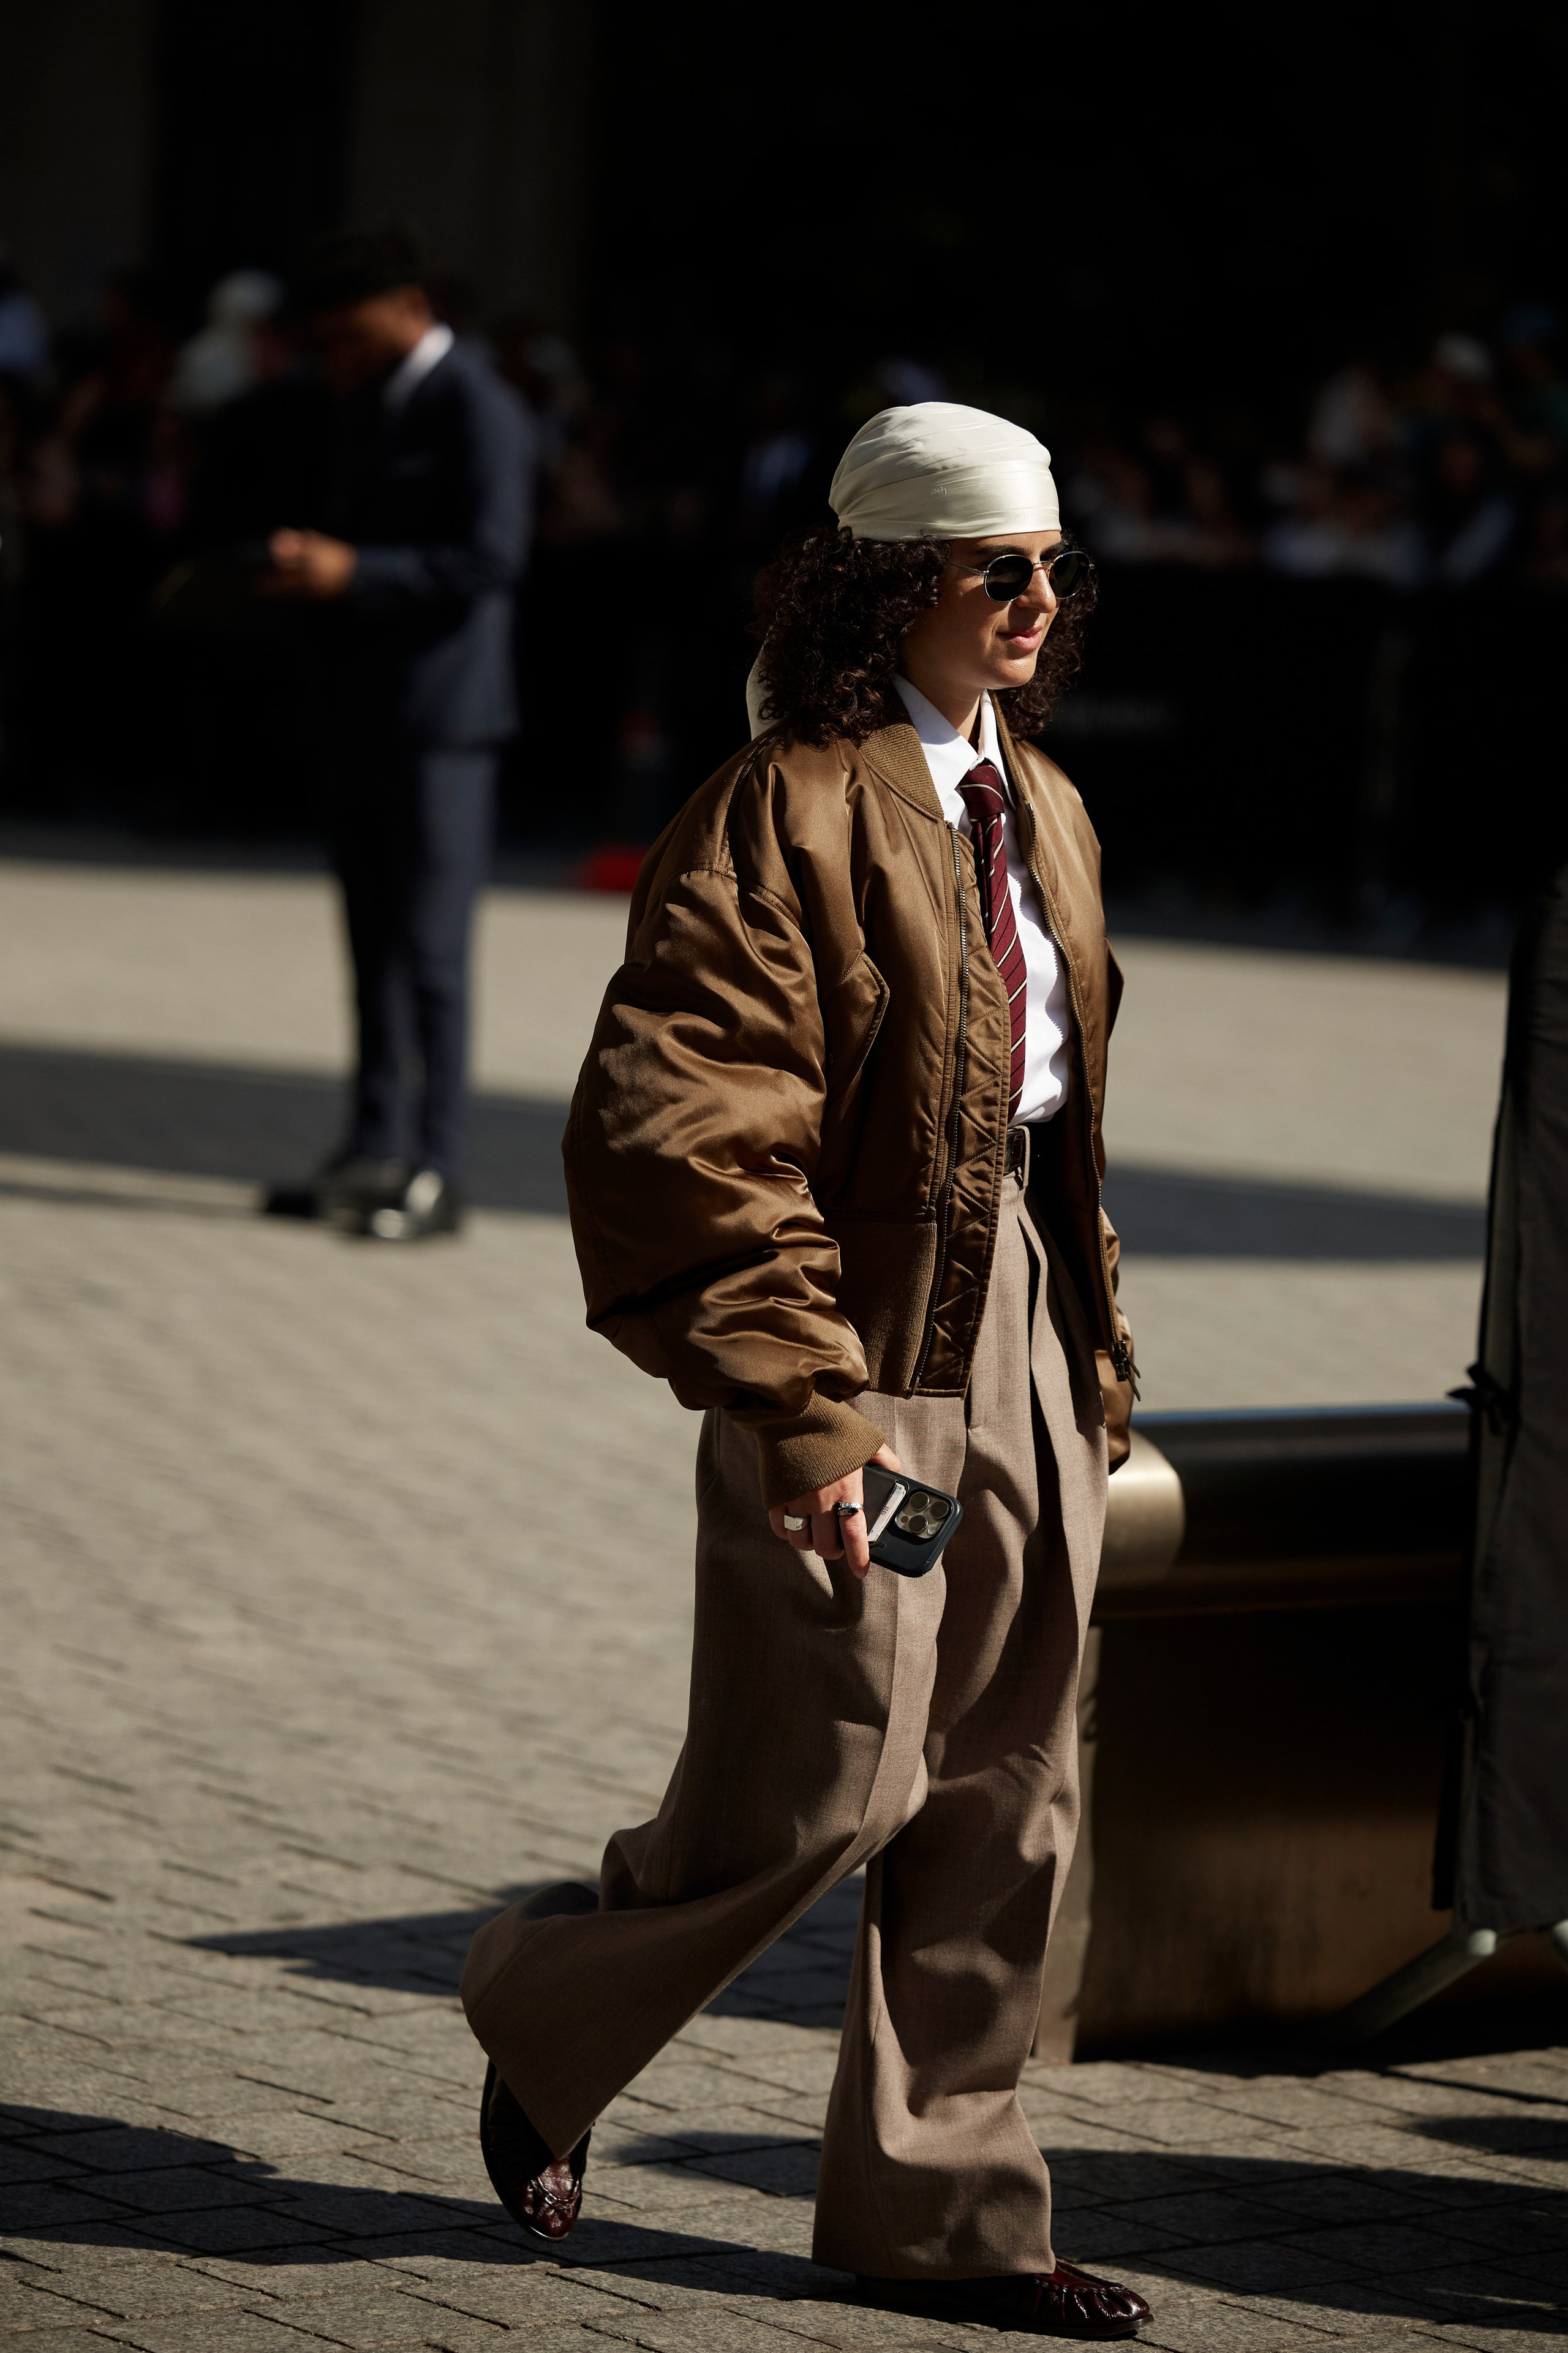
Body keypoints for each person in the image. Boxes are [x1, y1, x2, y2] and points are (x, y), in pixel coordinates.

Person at [461, 404, 1149, 2339]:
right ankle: (547, 2016)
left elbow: (1057, 1118)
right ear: (885, 580)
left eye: (1052, 567)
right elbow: (683, 1119)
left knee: (1011, 1789)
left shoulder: (1053, 806)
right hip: (855, 1345)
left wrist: (1093, 1352)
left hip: (1017, 1325)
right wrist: (803, 1406)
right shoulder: (790, 803)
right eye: (990, 565)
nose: (1033, 599)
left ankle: (947, 2223)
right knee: (832, 1780)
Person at [265, 227, 534, 1240]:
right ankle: (371, 1143)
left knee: (430, 950)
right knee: (369, 942)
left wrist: (355, 572)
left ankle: (439, 1168)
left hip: (444, 723)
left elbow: (494, 556)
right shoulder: (366, 398)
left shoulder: (477, 402)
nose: (335, 346)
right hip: (364, 710)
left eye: (348, 327)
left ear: (408, 305)